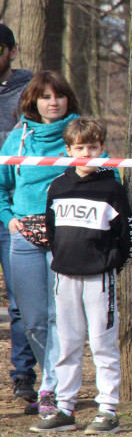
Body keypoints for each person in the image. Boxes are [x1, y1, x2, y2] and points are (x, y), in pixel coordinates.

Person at [29, 119, 132, 434]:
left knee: (103, 344)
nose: (87, 153)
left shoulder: (111, 187)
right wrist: (61, 256)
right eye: (80, 148)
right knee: (67, 345)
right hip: (64, 277)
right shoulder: (59, 185)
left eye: (93, 147)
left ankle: (107, 409)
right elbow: (51, 228)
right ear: (68, 150)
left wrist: (112, 264)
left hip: (100, 278)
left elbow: (127, 234)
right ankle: (64, 408)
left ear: (102, 148)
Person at [0, 71, 82, 418]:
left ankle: (53, 388)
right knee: (33, 320)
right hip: (25, 238)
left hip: (69, 239)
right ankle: (56, 381)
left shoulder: (80, 136)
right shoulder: (17, 139)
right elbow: (2, 187)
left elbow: (109, 177)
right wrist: (10, 220)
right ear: (33, 101)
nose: (52, 102)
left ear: (68, 100)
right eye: (45, 96)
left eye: (58, 96)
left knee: (61, 317)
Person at [0, 24, 37, 411]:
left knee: (22, 301)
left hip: (13, 211)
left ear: (12, 50)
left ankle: (25, 376)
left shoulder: (32, 93)